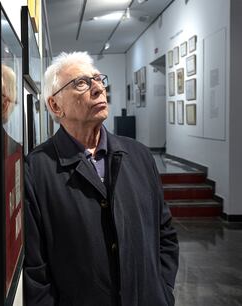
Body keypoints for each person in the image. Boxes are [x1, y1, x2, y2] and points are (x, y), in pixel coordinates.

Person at [24, 51, 179, 306]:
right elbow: (35, 268)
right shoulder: (37, 169)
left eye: (98, 79)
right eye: (81, 83)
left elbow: (165, 234)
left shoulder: (139, 156)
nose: (97, 88)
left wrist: (162, 290)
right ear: (55, 105)